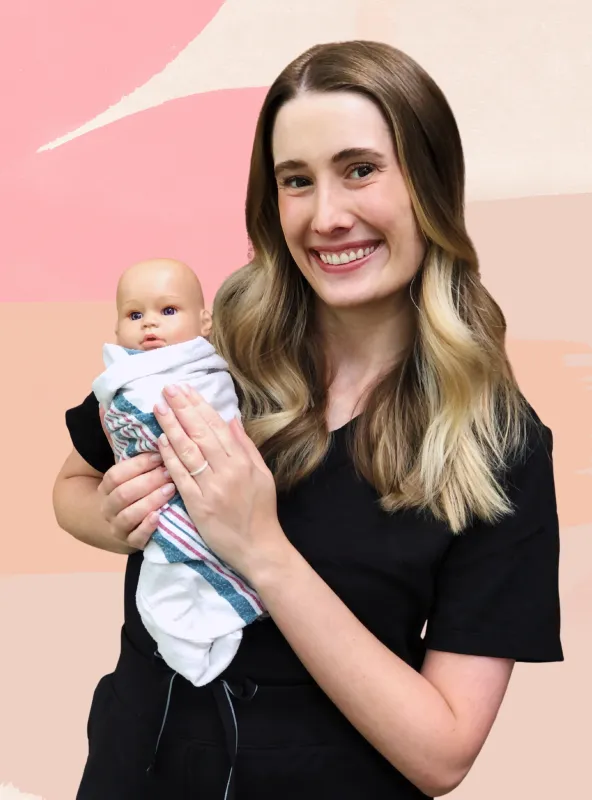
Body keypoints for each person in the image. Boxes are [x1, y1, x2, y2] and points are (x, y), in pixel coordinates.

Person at [53, 41, 563, 800]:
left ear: (429, 181)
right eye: (297, 181)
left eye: (360, 169)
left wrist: (262, 551)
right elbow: (73, 481)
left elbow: (445, 753)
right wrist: (113, 514)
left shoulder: (499, 444)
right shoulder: (210, 354)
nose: (327, 216)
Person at [93, 257, 264, 688]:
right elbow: (72, 487)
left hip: (231, 522)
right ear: (117, 329)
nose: (150, 325)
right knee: (165, 589)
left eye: (168, 311)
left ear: (205, 321)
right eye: (135, 315)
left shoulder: (206, 373)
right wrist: (117, 517)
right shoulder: (128, 378)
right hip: (162, 522)